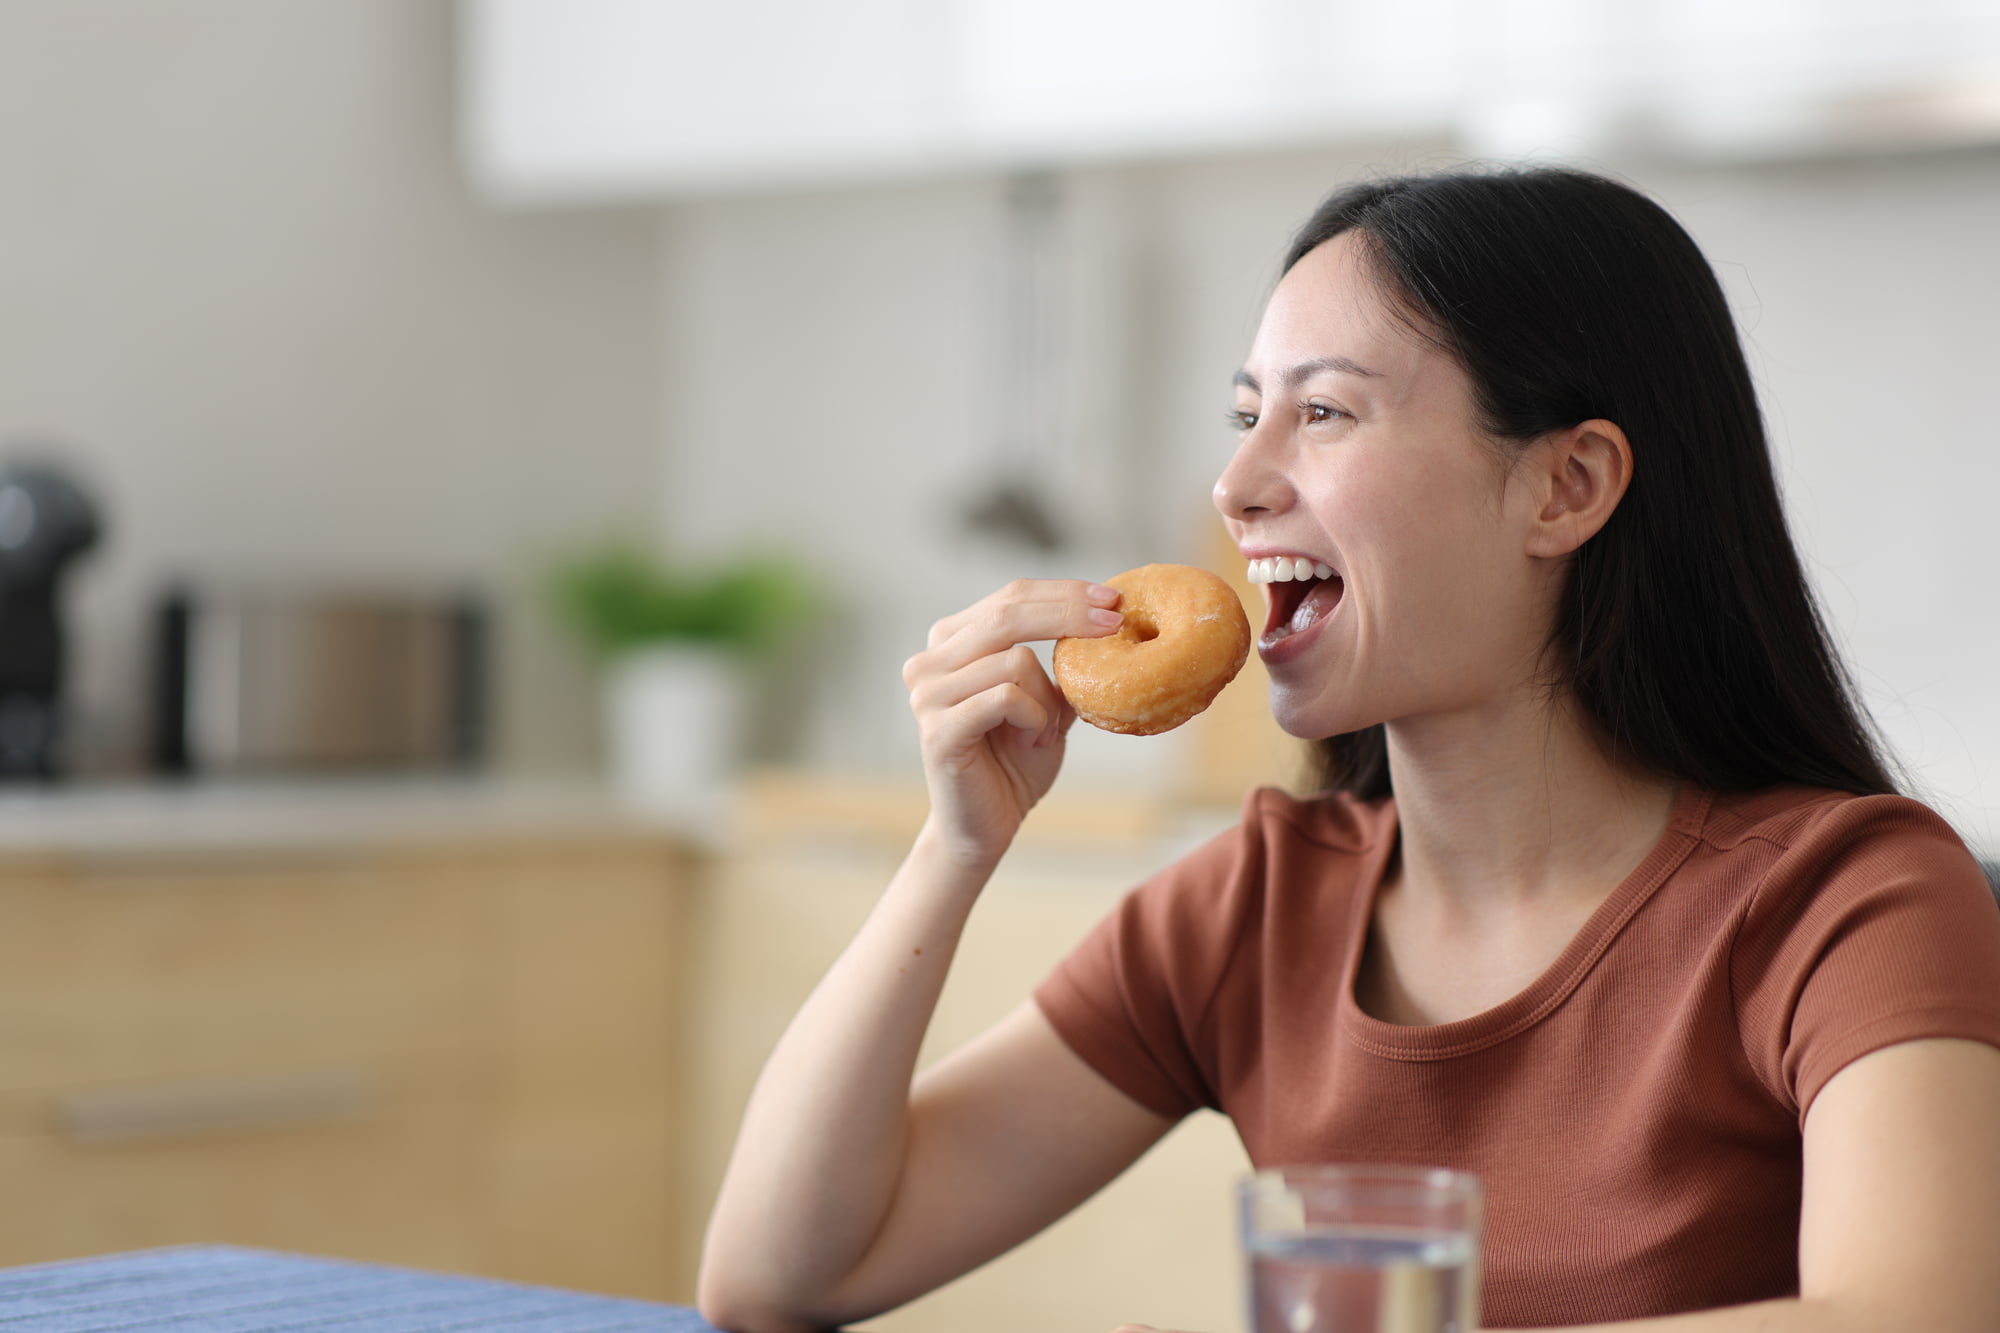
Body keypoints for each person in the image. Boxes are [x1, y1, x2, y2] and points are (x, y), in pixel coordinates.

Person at [696, 167, 2000, 1332]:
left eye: (1322, 415)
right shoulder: (1257, 908)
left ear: (1568, 487)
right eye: (1247, 412)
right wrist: (952, 848)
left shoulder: (1846, 897)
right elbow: (782, 1274)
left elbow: (1913, 1316)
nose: (1234, 483)